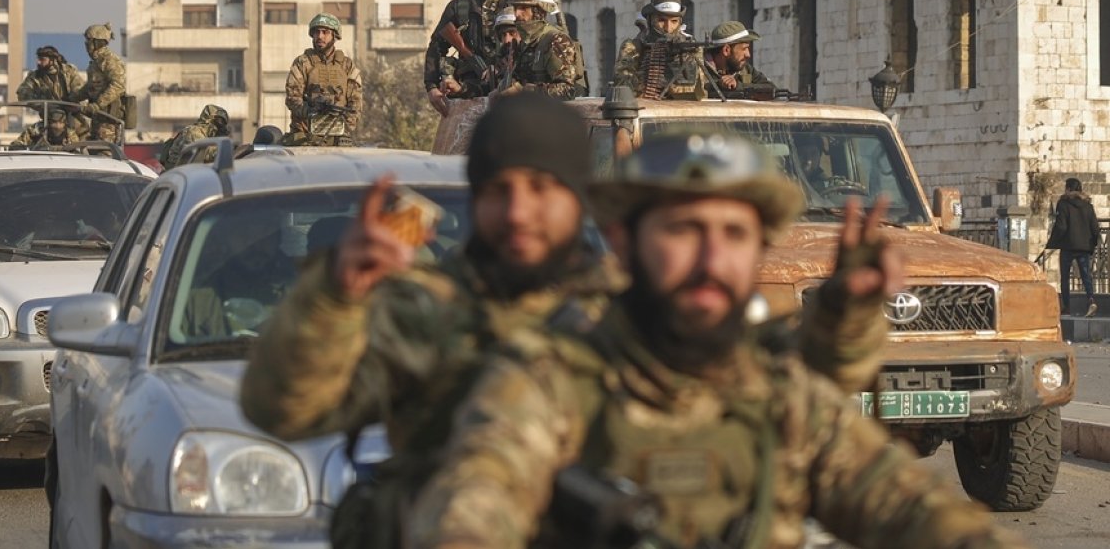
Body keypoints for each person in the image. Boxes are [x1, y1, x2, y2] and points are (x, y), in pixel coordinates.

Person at [240, 94, 896, 549]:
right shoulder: (423, 310)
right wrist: (332, 300)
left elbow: (791, 390)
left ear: (577, 194)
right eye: (498, 191)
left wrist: (844, 312)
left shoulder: (637, 301)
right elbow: (282, 410)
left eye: (542, 188)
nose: (519, 212)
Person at [407, 131, 1025, 549]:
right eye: (682, 230)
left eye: (733, 234)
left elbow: (904, 502)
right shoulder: (546, 383)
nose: (711, 258)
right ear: (624, 243)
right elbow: (476, 499)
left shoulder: (784, 397)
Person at [425, 0, 507, 113]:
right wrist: (432, 86)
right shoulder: (460, 5)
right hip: (468, 90)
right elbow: (436, 46)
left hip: (510, 86)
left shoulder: (514, 3)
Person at [490, 0, 584, 101]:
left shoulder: (555, 41)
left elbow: (567, 90)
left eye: (523, 8)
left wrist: (523, 91)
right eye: (515, 8)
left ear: (538, 11)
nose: (517, 14)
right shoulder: (524, 43)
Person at [284, 13, 362, 147]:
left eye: (325, 32)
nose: (320, 36)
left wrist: (345, 126)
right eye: (316, 32)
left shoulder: (347, 65)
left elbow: (356, 103)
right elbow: (292, 98)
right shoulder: (303, 63)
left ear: (334, 36)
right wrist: (311, 111)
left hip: (338, 136)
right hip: (305, 136)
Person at [613, 0, 705, 100]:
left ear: (680, 22)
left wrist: (681, 60)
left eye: (674, 21)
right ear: (650, 21)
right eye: (662, 20)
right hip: (648, 108)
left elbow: (699, 86)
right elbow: (621, 82)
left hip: (685, 107)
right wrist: (644, 87)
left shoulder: (690, 46)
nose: (668, 28)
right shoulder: (634, 47)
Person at [1046, 177, 1101, 316]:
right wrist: (1092, 244)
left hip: (1068, 246)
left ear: (1068, 189)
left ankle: (1067, 307)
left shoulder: (1063, 204)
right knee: (1086, 276)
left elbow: (1061, 226)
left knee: (1065, 277)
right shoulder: (1088, 205)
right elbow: (1095, 227)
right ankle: (1091, 301)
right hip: (1084, 247)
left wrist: (1052, 242)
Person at [69, 23, 127, 145]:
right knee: (94, 149)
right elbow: (91, 87)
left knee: (104, 152)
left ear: (96, 42)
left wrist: (98, 105)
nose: (86, 45)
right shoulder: (96, 62)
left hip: (108, 118)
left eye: (88, 41)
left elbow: (118, 85)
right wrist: (74, 97)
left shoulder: (109, 60)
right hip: (97, 117)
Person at [17, 45, 87, 135]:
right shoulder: (35, 76)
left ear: (52, 60)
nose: (38, 62)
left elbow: (80, 90)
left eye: (42, 59)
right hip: (49, 120)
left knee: (83, 138)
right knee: (33, 137)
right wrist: (43, 105)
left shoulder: (68, 72)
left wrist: (70, 101)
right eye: (38, 59)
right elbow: (22, 93)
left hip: (72, 118)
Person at [704, 20, 773, 96]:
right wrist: (719, 85)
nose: (748, 54)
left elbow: (772, 90)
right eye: (744, 49)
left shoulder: (745, 69)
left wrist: (738, 86)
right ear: (726, 50)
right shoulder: (698, 70)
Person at [158, 104, 232, 170]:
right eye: (219, 121)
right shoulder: (194, 132)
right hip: (176, 176)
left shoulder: (206, 136)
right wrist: (226, 150)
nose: (221, 125)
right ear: (209, 119)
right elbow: (202, 153)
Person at [8, 109, 80, 151]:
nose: (58, 126)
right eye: (54, 122)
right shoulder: (37, 129)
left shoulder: (70, 133)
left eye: (61, 122)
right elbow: (17, 144)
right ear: (48, 122)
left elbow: (77, 149)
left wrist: (69, 147)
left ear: (65, 124)